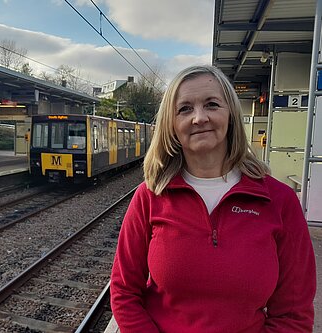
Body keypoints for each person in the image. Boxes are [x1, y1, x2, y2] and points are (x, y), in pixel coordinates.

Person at [110, 65, 316, 333]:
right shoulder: (149, 197)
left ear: (230, 114)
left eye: (211, 104)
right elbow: (124, 290)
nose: (199, 118)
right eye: (184, 109)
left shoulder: (279, 201)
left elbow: (294, 312)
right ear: (171, 126)